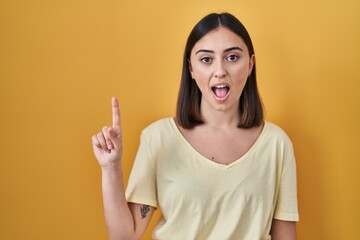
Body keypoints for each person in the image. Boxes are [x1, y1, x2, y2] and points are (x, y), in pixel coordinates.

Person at [92, 12, 299, 240]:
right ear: (190, 68)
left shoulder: (276, 145)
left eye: (232, 57)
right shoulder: (158, 139)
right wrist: (110, 168)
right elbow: (124, 237)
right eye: (206, 59)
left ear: (250, 64)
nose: (220, 71)